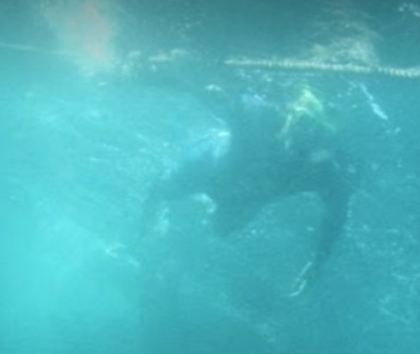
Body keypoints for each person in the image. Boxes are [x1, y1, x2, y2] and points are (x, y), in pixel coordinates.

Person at [140, 83, 356, 296]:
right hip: (204, 168)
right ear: (290, 117)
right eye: (304, 123)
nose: (305, 137)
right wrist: (201, 81)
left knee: (220, 230)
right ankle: (146, 234)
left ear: (323, 138)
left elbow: (337, 213)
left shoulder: (320, 170)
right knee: (162, 191)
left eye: (316, 133)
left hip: (241, 194)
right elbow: (219, 95)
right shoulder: (261, 119)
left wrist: (318, 260)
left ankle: (165, 241)